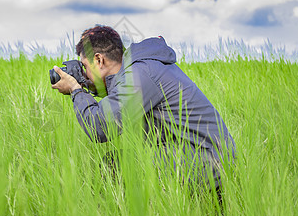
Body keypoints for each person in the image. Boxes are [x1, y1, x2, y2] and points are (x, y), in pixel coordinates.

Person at [51, 25, 236, 194]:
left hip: (207, 158)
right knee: (120, 160)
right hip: (202, 154)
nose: (84, 72)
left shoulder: (140, 73)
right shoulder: (143, 68)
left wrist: (76, 90)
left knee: (116, 165)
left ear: (99, 59)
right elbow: (116, 99)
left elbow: (100, 127)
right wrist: (87, 87)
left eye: (84, 66)